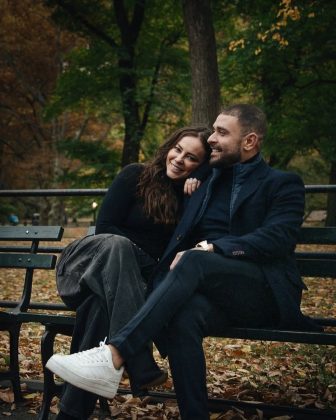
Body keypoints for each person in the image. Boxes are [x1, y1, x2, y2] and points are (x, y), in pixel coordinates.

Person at [47, 104, 321, 420]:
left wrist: (216, 247)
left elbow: (279, 238)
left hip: (262, 290)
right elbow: (201, 165)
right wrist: (202, 172)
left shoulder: (282, 183)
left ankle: (116, 353)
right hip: (211, 293)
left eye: (221, 133)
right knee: (178, 318)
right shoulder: (204, 185)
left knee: (193, 260)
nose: (212, 140)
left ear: (249, 142)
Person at [51, 125, 212, 420]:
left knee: (99, 310)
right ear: (168, 148)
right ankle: (140, 362)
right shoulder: (134, 175)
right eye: (178, 149)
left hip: (119, 288)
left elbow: (176, 256)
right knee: (119, 245)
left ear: (200, 166)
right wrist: (138, 259)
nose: (179, 159)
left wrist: (203, 178)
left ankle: (70, 415)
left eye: (192, 158)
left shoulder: (192, 199)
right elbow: (104, 229)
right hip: (85, 267)